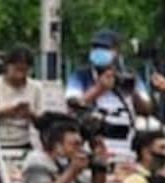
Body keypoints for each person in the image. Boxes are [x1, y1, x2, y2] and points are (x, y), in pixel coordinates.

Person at [65, 29, 152, 158]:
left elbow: (147, 109)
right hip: (92, 145)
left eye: (105, 48)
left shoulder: (130, 76)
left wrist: (131, 91)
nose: (98, 51)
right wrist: (99, 88)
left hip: (125, 146)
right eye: (95, 47)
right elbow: (72, 105)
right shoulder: (80, 76)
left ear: (116, 51)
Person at [0, 45, 43, 150]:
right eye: (17, 69)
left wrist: (29, 113)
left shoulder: (36, 88)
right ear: (7, 66)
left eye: (24, 70)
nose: (20, 75)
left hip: (23, 141)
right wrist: (5, 111)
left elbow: (42, 120)